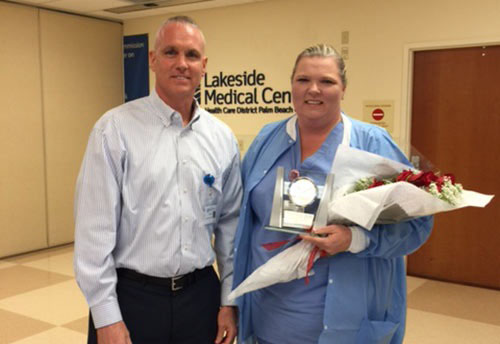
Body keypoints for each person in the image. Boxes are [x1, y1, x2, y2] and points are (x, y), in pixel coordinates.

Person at [231, 44, 433, 344]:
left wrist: (355, 239)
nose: (314, 90)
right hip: (269, 319)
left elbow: (418, 225)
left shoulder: (371, 143)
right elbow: (241, 224)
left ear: (344, 89)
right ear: (291, 85)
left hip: (344, 324)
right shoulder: (266, 141)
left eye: (326, 81)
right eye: (303, 80)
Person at [74, 16, 242, 344]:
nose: (182, 64)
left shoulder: (221, 137)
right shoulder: (114, 130)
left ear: (204, 65)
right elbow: (94, 232)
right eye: (170, 52)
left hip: (200, 299)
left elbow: (230, 230)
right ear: (152, 60)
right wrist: (105, 315)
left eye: (191, 55)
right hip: (132, 299)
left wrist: (229, 300)